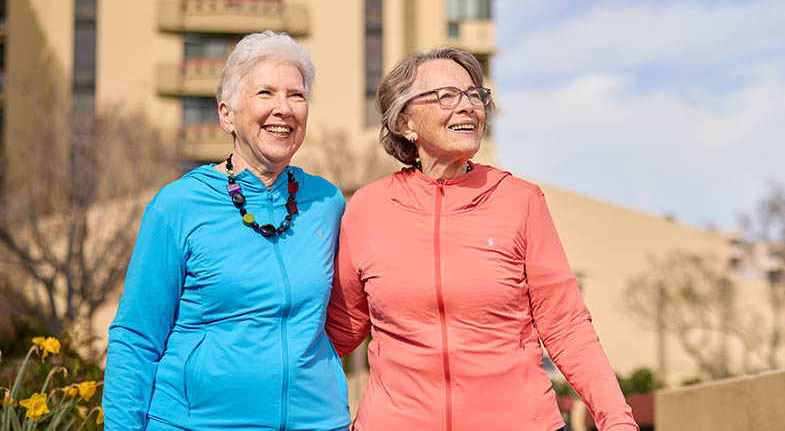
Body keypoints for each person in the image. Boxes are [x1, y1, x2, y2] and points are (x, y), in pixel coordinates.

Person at [327, 48, 638, 431]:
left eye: (475, 95)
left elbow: (566, 325)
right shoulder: (367, 208)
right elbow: (339, 330)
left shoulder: (520, 200)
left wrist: (617, 420)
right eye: (446, 95)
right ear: (404, 121)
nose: (467, 106)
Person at [103, 31, 349, 431]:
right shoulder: (178, 206)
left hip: (318, 422)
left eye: (297, 95)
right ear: (226, 114)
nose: (283, 109)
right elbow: (135, 338)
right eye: (265, 93)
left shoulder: (327, 204)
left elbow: (346, 315)